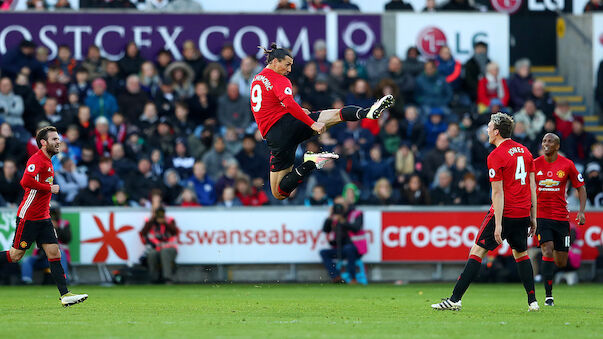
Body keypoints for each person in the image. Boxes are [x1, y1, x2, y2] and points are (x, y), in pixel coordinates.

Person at [250, 43, 393, 200]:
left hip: (277, 134)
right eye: (287, 65)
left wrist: (292, 113)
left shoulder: (258, 78)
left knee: (279, 193)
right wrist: (311, 123)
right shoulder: (281, 80)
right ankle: (367, 112)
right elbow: (289, 103)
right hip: (284, 128)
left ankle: (310, 163)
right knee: (334, 115)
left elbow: (268, 106)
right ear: (275, 61)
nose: (289, 69)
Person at [432, 113, 539, 311]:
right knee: (521, 254)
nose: (487, 130)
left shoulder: (496, 156)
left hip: (505, 212)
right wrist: (533, 217)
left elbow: (497, 193)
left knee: (477, 251)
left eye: (489, 127)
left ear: (497, 132)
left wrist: (498, 224)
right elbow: (532, 186)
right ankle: (533, 301)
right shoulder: (525, 151)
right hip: (523, 213)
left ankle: (455, 299)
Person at [0, 126, 87, 306]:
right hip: (29, 216)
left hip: (43, 217)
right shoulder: (37, 159)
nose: (58, 142)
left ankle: (65, 295)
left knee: (54, 252)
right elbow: (25, 181)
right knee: (16, 255)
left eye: (58, 138)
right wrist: (49, 188)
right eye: (54, 139)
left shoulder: (49, 161)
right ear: (43, 143)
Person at [533, 133, 587, 306]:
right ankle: (549, 296)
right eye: (544, 141)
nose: (546, 144)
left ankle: (552, 270)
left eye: (550, 141)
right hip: (542, 216)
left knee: (561, 261)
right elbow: (526, 188)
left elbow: (581, 187)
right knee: (547, 250)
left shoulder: (567, 164)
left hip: (561, 218)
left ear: (557, 146)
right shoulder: (534, 164)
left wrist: (582, 211)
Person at [21, 204, 71, 284]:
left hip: (58, 256)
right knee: (27, 260)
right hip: (42, 256)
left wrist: (56, 228)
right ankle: (26, 281)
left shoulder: (63, 223)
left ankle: (64, 279)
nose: (53, 216)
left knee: (61, 253)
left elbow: (67, 239)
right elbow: (32, 239)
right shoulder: (40, 223)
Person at [319, 197, 364, 283]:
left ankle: (352, 278)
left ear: (346, 204)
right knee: (323, 252)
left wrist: (343, 221)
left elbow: (356, 228)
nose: (339, 206)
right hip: (340, 249)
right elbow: (325, 230)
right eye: (337, 204)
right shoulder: (334, 216)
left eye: (341, 204)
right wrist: (330, 216)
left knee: (349, 248)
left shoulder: (356, 214)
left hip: (355, 248)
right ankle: (336, 277)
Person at [140, 207, 179, 284]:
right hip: (156, 248)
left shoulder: (170, 221)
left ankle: (167, 278)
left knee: (164, 252)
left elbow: (175, 232)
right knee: (151, 254)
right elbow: (143, 233)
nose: (160, 217)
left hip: (169, 248)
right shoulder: (150, 222)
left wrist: (165, 223)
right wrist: (152, 221)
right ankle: (153, 279)